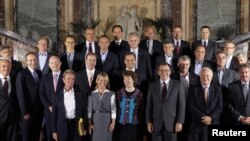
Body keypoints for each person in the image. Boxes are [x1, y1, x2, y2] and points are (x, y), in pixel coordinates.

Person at [146, 62, 186, 141]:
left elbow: (181, 105)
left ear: (170, 72)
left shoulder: (178, 85)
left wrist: (180, 121)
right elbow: (148, 105)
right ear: (158, 72)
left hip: (172, 123)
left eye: (167, 70)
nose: (164, 72)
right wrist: (148, 121)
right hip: (156, 123)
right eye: (161, 70)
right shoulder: (152, 85)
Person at [187, 67, 223, 141]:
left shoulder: (217, 89)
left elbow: (219, 106)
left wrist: (210, 118)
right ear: (200, 76)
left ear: (212, 77)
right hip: (197, 124)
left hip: (213, 123)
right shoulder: (193, 89)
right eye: (203, 75)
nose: (205, 78)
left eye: (208, 75)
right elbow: (190, 106)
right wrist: (203, 117)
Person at [16, 52, 43, 141]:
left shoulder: (39, 73)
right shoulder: (21, 74)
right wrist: (24, 112)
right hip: (28, 112)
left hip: (39, 111)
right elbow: (21, 95)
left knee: (36, 135)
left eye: (34, 60)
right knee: (27, 136)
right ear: (26, 62)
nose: (33, 62)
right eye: (30, 60)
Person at [52, 70, 85, 141]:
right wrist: (54, 131)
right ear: (63, 80)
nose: (71, 81)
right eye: (68, 79)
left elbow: (83, 112)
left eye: (73, 79)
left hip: (76, 126)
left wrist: (83, 128)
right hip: (62, 126)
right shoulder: (57, 95)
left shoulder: (80, 93)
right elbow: (54, 114)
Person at [39, 55, 64, 141]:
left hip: (62, 111)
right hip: (49, 111)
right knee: (49, 134)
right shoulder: (44, 77)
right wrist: (48, 106)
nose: (54, 64)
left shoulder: (66, 76)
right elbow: (41, 94)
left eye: (56, 62)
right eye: (52, 63)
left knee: (62, 134)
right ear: (49, 65)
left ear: (60, 64)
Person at [116, 70, 144, 141]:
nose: (126, 81)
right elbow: (116, 110)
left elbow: (141, 112)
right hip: (121, 125)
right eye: (124, 79)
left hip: (135, 126)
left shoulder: (139, 94)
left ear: (133, 80)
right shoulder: (118, 93)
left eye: (128, 78)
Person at [88, 72, 116, 141]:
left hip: (107, 120)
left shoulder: (111, 94)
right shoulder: (92, 94)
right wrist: (89, 122)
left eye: (105, 81)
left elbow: (113, 110)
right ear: (97, 81)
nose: (102, 82)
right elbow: (89, 110)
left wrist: (113, 122)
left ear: (107, 82)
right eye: (100, 80)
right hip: (95, 120)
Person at [0, 59, 19, 141]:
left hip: (13, 117)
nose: (6, 68)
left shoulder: (16, 79)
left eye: (8, 66)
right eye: (3, 66)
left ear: (11, 67)